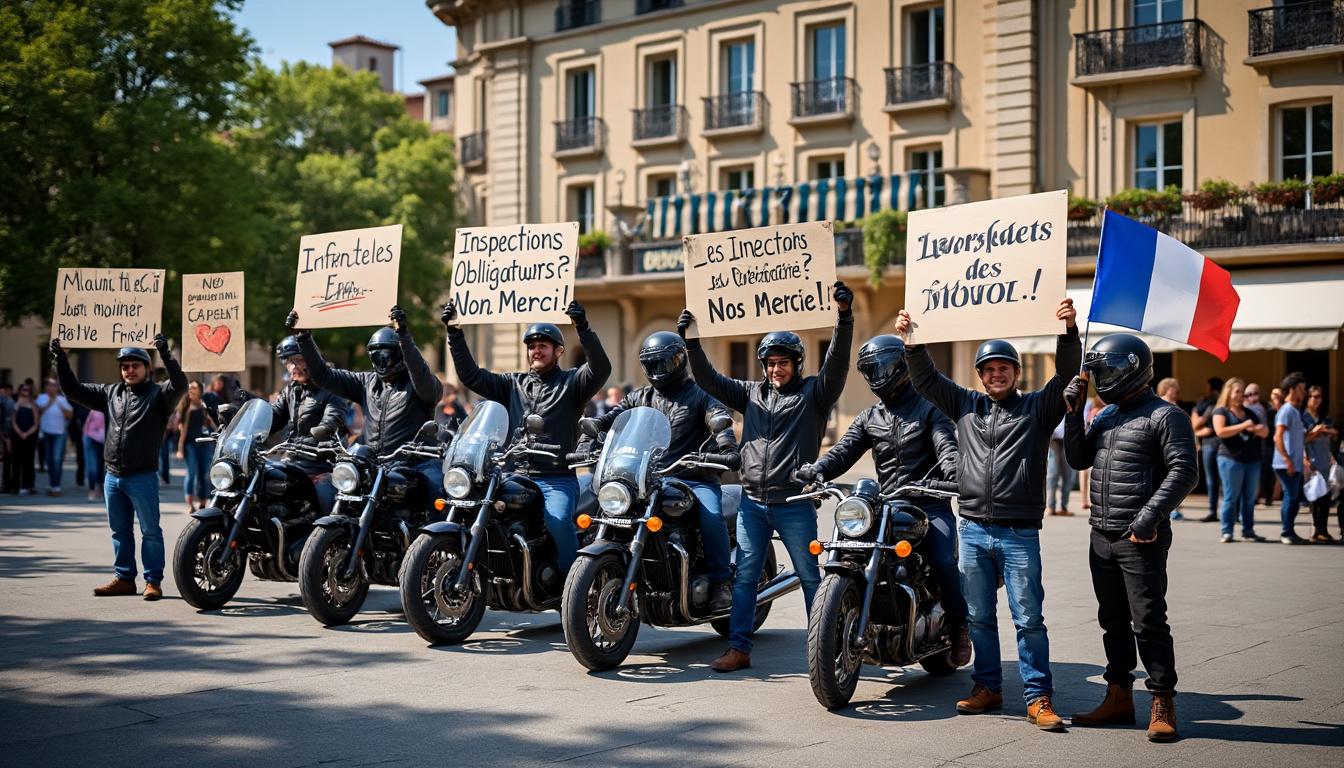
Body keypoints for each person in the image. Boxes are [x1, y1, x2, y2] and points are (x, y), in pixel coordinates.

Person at [895, 298, 1079, 732]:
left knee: (1028, 618)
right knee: (978, 616)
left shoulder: (1037, 408)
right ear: (979, 375)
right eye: (988, 370)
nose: (996, 375)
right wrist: (912, 340)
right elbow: (925, 379)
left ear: (1016, 373)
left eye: (1004, 369)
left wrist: (1068, 333)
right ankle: (988, 687)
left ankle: (1038, 697)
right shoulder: (964, 405)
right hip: (973, 528)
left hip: (1019, 534)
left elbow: (1068, 376)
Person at [679, 280, 854, 673]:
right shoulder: (750, 394)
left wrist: (844, 318)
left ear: (796, 364)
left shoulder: (815, 393)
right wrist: (691, 342)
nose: (776, 369)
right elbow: (709, 380)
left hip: (794, 504)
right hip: (752, 503)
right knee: (744, 579)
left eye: (783, 363)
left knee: (812, 578)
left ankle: (824, 652)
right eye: (771, 363)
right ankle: (739, 648)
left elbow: (838, 364)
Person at [802, 333, 970, 666]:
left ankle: (961, 628)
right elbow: (843, 450)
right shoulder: (869, 417)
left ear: (901, 366)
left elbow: (947, 447)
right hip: (886, 504)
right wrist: (817, 469)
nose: (877, 374)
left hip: (928, 503)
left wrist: (953, 471)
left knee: (942, 559)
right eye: (869, 369)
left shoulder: (929, 409)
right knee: (848, 547)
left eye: (882, 366)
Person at [1062, 333, 1197, 742]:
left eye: (1103, 370)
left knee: (1149, 621)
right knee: (1112, 621)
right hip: (1100, 534)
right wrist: (1072, 412)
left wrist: (1148, 519)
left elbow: (1184, 471)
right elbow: (1077, 458)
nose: (1099, 377)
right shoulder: (1104, 415)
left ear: (1128, 369)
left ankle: (1162, 700)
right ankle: (1119, 695)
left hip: (1140, 538)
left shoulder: (1166, 416)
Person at [440, 299, 610, 574]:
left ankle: (570, 586)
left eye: (543, 345)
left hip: (555, 477)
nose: (536, 350)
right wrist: (454, 334)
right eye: (531, 346)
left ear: (558, 351)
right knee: (473, 507)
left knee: (556, 521)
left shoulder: (572, 383)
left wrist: (583, 327)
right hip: (513, 474)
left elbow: (601, 369)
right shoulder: (512, 384)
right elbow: (471, 376)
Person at [586, 331, 741, 612]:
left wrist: (726, 445)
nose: (657, 370)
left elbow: (718, 419)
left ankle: (721, 582)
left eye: (662, 364)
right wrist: (597, 427)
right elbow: (616, 417)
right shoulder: (641, 396)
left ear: (679, 361)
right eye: (651, 364)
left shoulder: (701, 395)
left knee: (711, 516)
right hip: (647, 478)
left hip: (692, 477)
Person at [52, 335, 187, 600]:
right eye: (125, 366)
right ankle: (124, 578)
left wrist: (166, 354)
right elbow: (73, 390)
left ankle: (153, 582)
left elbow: (180, 385)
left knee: (150, 531)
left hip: (143, 476)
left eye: (135, 365)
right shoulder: (110, 393)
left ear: (147, 368)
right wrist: (61, 359)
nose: (129, 370)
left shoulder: (159, 395)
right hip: (112, 477)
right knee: (120, 531)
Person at [288, 305, 444, 492]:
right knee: (334, 490)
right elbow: (323, 376)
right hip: (372, 464)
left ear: (401, 354)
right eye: (376, 356)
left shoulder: (422, 385)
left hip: (415, 464)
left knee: (438, 491)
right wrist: (304, 338)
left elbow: (420, 374)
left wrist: (403, 335)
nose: (381, 361)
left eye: (386, 355)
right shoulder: (366, 382)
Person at [269, 335, 347, 514]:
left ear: (312, 359)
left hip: (321, 465)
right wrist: (245, 417)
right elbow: (274, 418)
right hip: (291, 463)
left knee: (328, 506)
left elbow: (332, 419)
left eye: (297, 360)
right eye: (288, 362)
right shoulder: (291, 390)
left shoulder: (332, 387)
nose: (293, 367)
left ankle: (333, 539)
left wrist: (321, 432)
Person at [1211, 378, 1268, 543]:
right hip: (1230, 459)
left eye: (1242, 392)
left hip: (1252, 459)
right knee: (1231, 497)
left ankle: (1248, 530)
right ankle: (1226, 531)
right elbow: (1220, 431)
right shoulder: (1221, 411)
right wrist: (1243, 426)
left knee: (1249, 498)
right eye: (1237, 391)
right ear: (1229, 392)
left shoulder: (1250, 413)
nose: (1240, 395)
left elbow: (1264, 432)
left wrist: (1259, 429)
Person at [1272, 373, 1309, 544]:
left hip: (1293, 463)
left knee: (1293, 497)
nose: (1305, 392)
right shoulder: (1286, 410)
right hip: (1285, 463)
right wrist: (1287, 460)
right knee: (1291, 497)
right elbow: (1277, 437)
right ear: (1293, 390)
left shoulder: (1295, 410)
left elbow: (1298, 438)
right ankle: (1286, 533)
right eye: (1302, 388)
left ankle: (1289, 531)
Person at [1303, 385, 1338, 543]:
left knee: (1326, 497)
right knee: (1314, 496)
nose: (1315, 400)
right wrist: (1318, 431)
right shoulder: (1303, 417)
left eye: (1318, 397)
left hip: (1325, 460)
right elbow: (1303, 438)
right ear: (1308, 398)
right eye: (1312, 396)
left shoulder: (1324, 416)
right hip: (1312, 461)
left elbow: (1334, 433)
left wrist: (1325, 430)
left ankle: (1322, 530)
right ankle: (1317, 530)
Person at [176, 380, 217, 512]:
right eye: (189, 388)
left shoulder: (205, 405)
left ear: (200, 390)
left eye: (194, 387)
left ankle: (203, 502)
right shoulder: (185, 406)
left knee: (204, 474)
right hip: (191, 444)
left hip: (206, 443)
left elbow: (213, 424)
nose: (191, 390)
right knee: (191, 473)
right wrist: (180, 449)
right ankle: (190, 503)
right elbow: (182, 431)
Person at [1190, 377, 1223, 523]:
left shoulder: (1212, 402)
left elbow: (1196, 425)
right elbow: (1195, 425)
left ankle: (1216, 511)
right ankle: (1216, 511)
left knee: (1218, 480)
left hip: (1216, 443)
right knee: (1216, 479)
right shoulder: (1206, 402)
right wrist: (1204, 425)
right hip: (1212, 442)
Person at [36, 378, 73, 495]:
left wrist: (61, 407)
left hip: (60, 433)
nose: (52, 388)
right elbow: (38, 412)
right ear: (46, 387)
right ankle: (52, 484)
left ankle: (56, 486)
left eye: (54, 386)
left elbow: (70, 415)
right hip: (46, 433)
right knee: (49, 461)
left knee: (57, 460)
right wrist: (50, 402)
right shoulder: (41, 398)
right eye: (50, 385)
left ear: (57, 388)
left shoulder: (62, 399)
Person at [1156, 379, 1185, 520]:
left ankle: (1172, 508)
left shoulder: (1171, 404)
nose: (1177, 391)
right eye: (1175, 388)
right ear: (1167, 388)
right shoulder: (1164, 405)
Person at [9, 382, 39, 495]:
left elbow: (36, 423)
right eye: (23, 389)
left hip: (30, 436)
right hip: (17, 436)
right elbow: (13, 420)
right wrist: (20, 432)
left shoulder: (33, 405)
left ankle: (29, 485)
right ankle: (15, 486)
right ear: (20, 391)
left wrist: (27, 433)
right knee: (16, 462)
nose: (25, 391)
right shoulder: (16, 404)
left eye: (27, 390)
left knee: (28, 462)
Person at [1045, 418, 1075, 516]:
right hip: (1053, 439)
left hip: (1069, 438)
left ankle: (1064, 507)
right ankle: (1050, 506)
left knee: (1068, 475)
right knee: (1052, 474)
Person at [82, 407, 106, 502]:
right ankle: (92, 489)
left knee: (101, 466)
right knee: (92, 466)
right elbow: (86, 421)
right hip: (90, 438)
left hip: (105, 441)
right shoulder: (93, 406)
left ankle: (99, 488)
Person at [0, 383, 14, 493]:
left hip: (4, 435)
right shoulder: (8, 402)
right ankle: (6, 485)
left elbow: (7, 421)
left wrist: (7, 436)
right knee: (6, 462)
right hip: (5, 435)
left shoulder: (7, 402)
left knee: (6, 462)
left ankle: (6, 485)